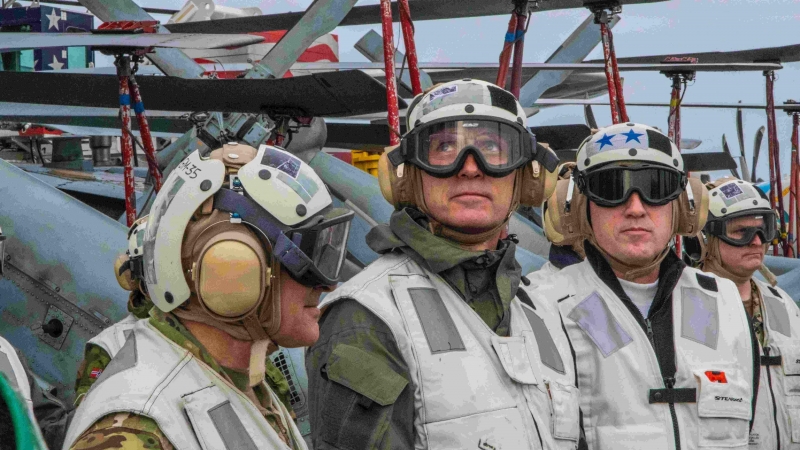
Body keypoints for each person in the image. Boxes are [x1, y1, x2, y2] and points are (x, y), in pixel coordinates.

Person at [306, 79, 582, 450]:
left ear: (529, 177)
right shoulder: (369, 316)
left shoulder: (542, 311)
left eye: (492, 148)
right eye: (445, 147)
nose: (470, 169)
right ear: (406, 176)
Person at [62, 143, 354, 450]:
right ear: (234, 268)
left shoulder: (244, 378)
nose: (327, 287)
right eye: (308, 260)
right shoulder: (135, 430)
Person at [534, 123, 759, 450]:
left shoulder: (724, 303)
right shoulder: (543, 305)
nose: (635, 208)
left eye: (656, 187)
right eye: (611, 188)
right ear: (578, 207)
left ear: (685, 206)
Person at [699, 177, 800, 450]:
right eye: (740, 231)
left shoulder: (782, 303)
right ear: (706, 238)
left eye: (762, 230)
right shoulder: (688, 304)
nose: (756, 241)